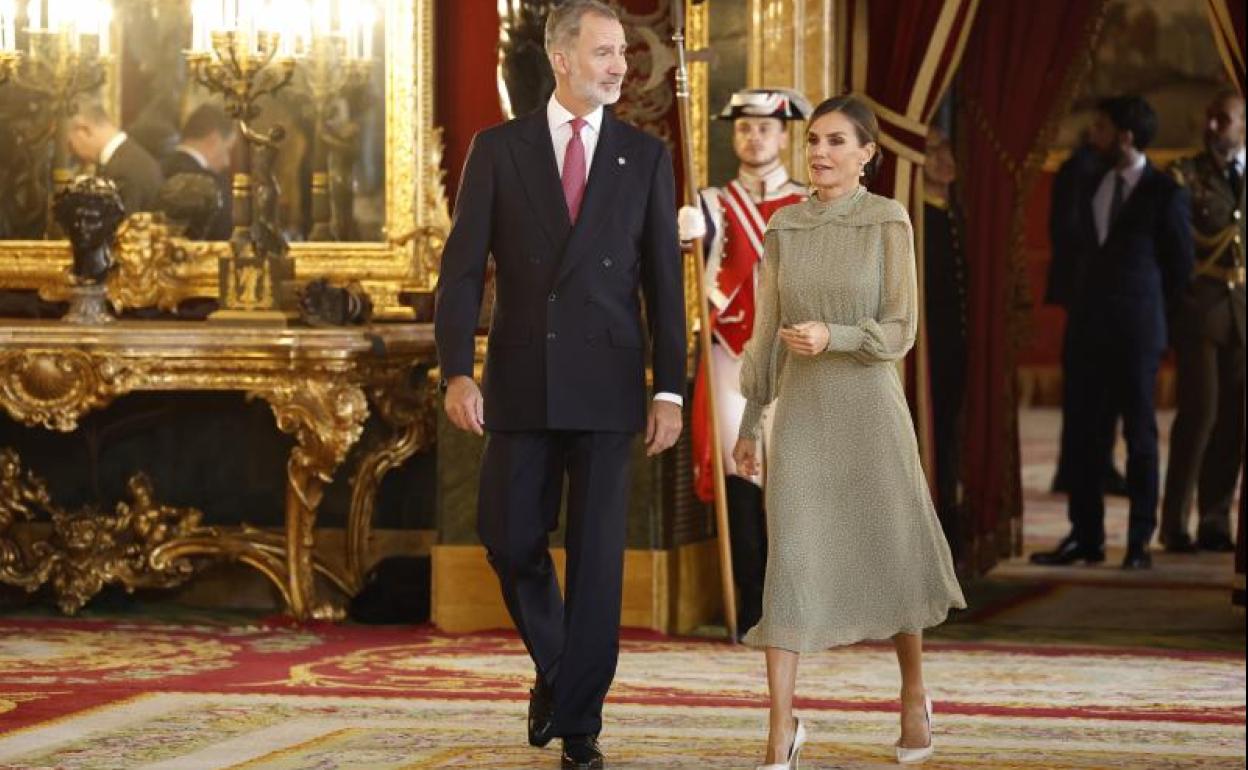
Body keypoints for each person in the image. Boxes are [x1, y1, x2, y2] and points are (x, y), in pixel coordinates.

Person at [433, 2, 685, 768]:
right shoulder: (498, 149)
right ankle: (562, 670)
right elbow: (463, 269)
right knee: (509, 539)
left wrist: (668, 388)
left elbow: (663, 289)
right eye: (605, 52)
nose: (619, 66)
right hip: (520, 376)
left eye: (622, 54)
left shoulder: (644, 158)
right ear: (563, 58)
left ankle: (580, 725)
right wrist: (455, 369)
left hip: (610, 384)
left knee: (599, 558)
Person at [731, 94, 965, 769]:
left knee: (891, 555)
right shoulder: (785, 229)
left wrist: (836, 336)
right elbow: (766, 336)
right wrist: (750, 420)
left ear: (868, 155)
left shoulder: (888, 222)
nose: (821, 154)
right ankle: (780, 729)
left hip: (870, 412)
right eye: (814, 142)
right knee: (791, 564)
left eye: (837, 142)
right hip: (800, 420)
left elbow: (901, 329)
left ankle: (914, 694)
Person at [1031, 96, 1194, 570]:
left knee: (1140, 436)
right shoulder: (1086, 180)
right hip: (1087, 328)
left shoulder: (1165, 192)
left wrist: (1150, 315)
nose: (1092, 136)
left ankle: (1140, 542)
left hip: (1138, 332)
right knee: (1084, 434)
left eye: (1101, 129)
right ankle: (1086, 537)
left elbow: (1179, 266)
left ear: (1125, 136)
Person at [678, 87, 810, 639]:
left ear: (784, 136)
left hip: (795, 361)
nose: (753, 138)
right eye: (743, 129)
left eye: (764, 128)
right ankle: (751, 608)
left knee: (795, 483)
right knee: (741, 480)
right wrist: (683, 238)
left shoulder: (809, 203)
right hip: (731, 358)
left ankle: (799, 607)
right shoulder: (710, 203)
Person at [1160, 90, 1245, 554]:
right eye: (1211, 118)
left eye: (1224, 119)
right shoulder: (1184, 175)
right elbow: (1173, 247)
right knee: (1199, 416)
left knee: (1234, 421)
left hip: (1242, 313)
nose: (1213, 126)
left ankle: (1215, 520)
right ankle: (1174, 523)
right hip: (1200, 310)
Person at [1046, 136, 1129, 498]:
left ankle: (1090, 465)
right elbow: (1070, 230)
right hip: (1086, 296)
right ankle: (1079, 468)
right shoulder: (1083, 171)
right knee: (1086, 389)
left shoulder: (1094, 169)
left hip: (1103, 298)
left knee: (1101, 391)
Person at [922, 126, 968, 563]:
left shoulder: (958, 213)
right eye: (933, 150)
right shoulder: (916, 219)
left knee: (953, 438)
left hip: (956, 346)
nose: (944, 158)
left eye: (946, 147)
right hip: (927, 352)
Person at [67, 101, 163, 215]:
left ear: (84, 130)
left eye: (70, 144)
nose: (70, 152)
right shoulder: (126, 158)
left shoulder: (126, 170)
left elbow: (120, 230)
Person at [160, 103, 236, 240]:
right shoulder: (216, 185)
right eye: (228, 150)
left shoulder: (155, 170)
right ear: (214, 140)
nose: (227, 162)